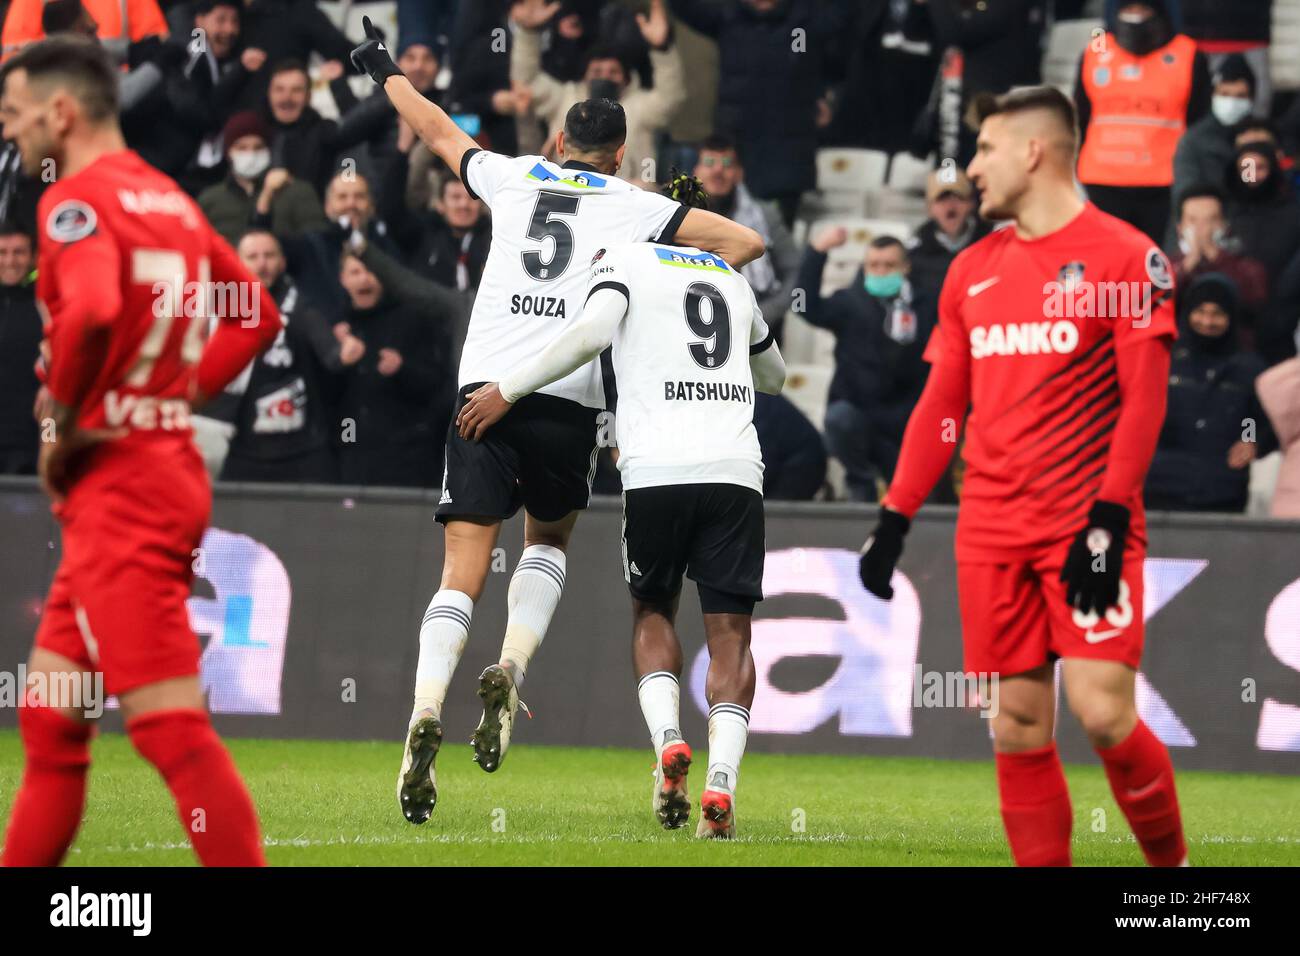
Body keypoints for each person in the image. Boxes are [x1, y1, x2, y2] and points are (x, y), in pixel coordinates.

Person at [348, 15, 764, 824]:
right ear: (616, 156)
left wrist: (385, 69)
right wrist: (670, 250)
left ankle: (424, 712)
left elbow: (435, 130)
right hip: (569, 405)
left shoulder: (510, 177)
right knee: (547, 541)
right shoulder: (631, 205)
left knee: (460, 570)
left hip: (484, 393)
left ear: (557, 142)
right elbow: (744, 243)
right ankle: (512, 664)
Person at [859, 86, 1188, 867]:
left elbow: (1145, 407)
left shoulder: (1126, 257)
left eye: (984, 149)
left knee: (1103, 713)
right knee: (1015, 726)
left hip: (1087, 528)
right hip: (991, 530)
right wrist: (895, 516)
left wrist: (1107, 522)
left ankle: (1175, 882)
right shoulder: (969, 271)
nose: (972, 168)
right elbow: (942, 407)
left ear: (1033, 151)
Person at [0, 36, 280, 867]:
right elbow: (254, 314)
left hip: (120, 485)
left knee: (171, 732)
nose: (10, 134)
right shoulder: (174, 202)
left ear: (60, 111)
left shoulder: (73, 202)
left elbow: (85, 313)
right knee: (54, 717)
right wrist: (167, 399)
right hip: (153, 469)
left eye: (13, 116)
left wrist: (79, 418)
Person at [455, 178, 787, 838]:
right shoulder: (731, 278)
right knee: (731, 635)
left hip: (657, 469)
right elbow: (773, 378)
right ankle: (722, 784)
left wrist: (509, 387)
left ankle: (668, 743)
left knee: (653, 610)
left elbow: (591, 334)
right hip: (734, 470)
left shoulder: (625, 258)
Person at [799, 231, 934, 501]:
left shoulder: (928, 306)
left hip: (905, 423)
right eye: (873, 265)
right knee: (839, 419)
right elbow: (800, 305)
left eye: (889, 265)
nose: (881, 272)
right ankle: (860, 493)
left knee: (914, 496)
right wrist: (815, 254)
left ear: (905, 267)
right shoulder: (849, 302)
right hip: (857, 418)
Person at [216, 229, 347, 484]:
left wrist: (342, 352)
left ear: (283, 261)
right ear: (237, 261)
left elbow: (332, 356)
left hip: (303, 451)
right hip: (240, 449)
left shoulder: (304, 306)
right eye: (253, 256)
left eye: (269, 255)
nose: (262, 263)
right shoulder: (217, 309)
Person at [1076, 0, 1211, 241]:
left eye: (1142, 9)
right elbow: (1080, 117)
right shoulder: (1095, 51)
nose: (1134, 16)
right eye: (1128, 9)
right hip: (1101, 182)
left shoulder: (1187, 54)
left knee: (1151, 268)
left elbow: (1199, 121)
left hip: (1162, 185)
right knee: (1107, 268)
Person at [510, 0, 684, 186]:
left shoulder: (640, 107)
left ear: (626, 80)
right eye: (596, 72)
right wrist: (528, 34)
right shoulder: (565, 98)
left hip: (627, 200)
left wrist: (662, 49)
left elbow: (670, 97)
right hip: (564, 191)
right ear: (584, 76)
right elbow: (525, 85)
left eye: (613, 72)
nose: (604, 77)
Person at [1145, 274, 1275, 512]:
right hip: (1159, 485)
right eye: (1201, 312)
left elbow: (1253, 415)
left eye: (1217, 314)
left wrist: (1249, 439)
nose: (1207, 321)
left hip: (1221, 489)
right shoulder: (1163, 358)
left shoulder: (1248, 367)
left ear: (1231, 317)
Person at [333, 250, 447, 487]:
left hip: (405, 454)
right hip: (353, 447)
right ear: (343, 279)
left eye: (370, 271)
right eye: (355, 272)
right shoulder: (337, 328)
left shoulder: (411, 319)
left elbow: (436, 383)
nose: (364, 279)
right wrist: (335, 356)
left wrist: (402, 369)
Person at [693, 134, 797, 339]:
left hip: (756, 328)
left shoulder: (765, 215)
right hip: (692, 323)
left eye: (726, 164)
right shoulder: (677, 214)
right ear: (696, 171)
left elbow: (794, 270)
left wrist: (762, 314)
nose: (717, 170)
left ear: (739, 173)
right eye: (709, 162)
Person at [196, 110, 326, 245]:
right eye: (242, 148)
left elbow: (317, 244)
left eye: (258, 147)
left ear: (269, 150)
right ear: (228, 152)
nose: (251, 154)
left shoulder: (297, 192)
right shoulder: (210, 200)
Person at [1168, 185, 1268, 328]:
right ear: (1180, 228)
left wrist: (1216, 257)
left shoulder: (1247, 266)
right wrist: (1188, 265)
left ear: (1225, 226)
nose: (1202, 228)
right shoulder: (1167, 267)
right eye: (1193, 220)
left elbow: (1255, 305)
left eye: (1211, 220)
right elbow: (1158, 305)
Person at [1171, 54, 1256, 212]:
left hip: (1249, 222)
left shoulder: (1257, 140)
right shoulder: (1194, 140)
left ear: (1251, 99)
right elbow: (1186, 192)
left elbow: (1255, 190)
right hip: (1205, 222)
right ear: (1213, 95)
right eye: (1224, 94)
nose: (1231, 103)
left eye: (1240, 96)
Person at [907, 169, 991, 302]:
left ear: (971, 204)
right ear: (930, 208)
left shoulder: (993, 244)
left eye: (958, 197)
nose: (950, 205)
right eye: (942, 199)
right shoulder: (914, 254)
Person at [0, 224, 40, 474]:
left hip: (30, 446)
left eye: (19, 252)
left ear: (33, 257)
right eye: (3, 253)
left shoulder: (48, 305)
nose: (10, 260)